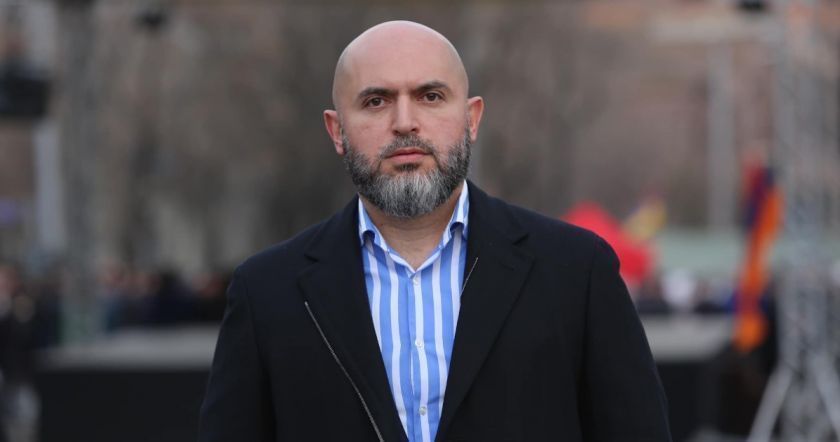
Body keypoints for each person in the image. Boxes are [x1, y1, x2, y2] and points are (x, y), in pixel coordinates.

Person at [199, 21, 671, 442]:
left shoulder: (576, 272)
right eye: (376, 101)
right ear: (336, 130)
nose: (405, 123)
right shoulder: (267, 292)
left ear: (472, 118)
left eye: (430, 96)